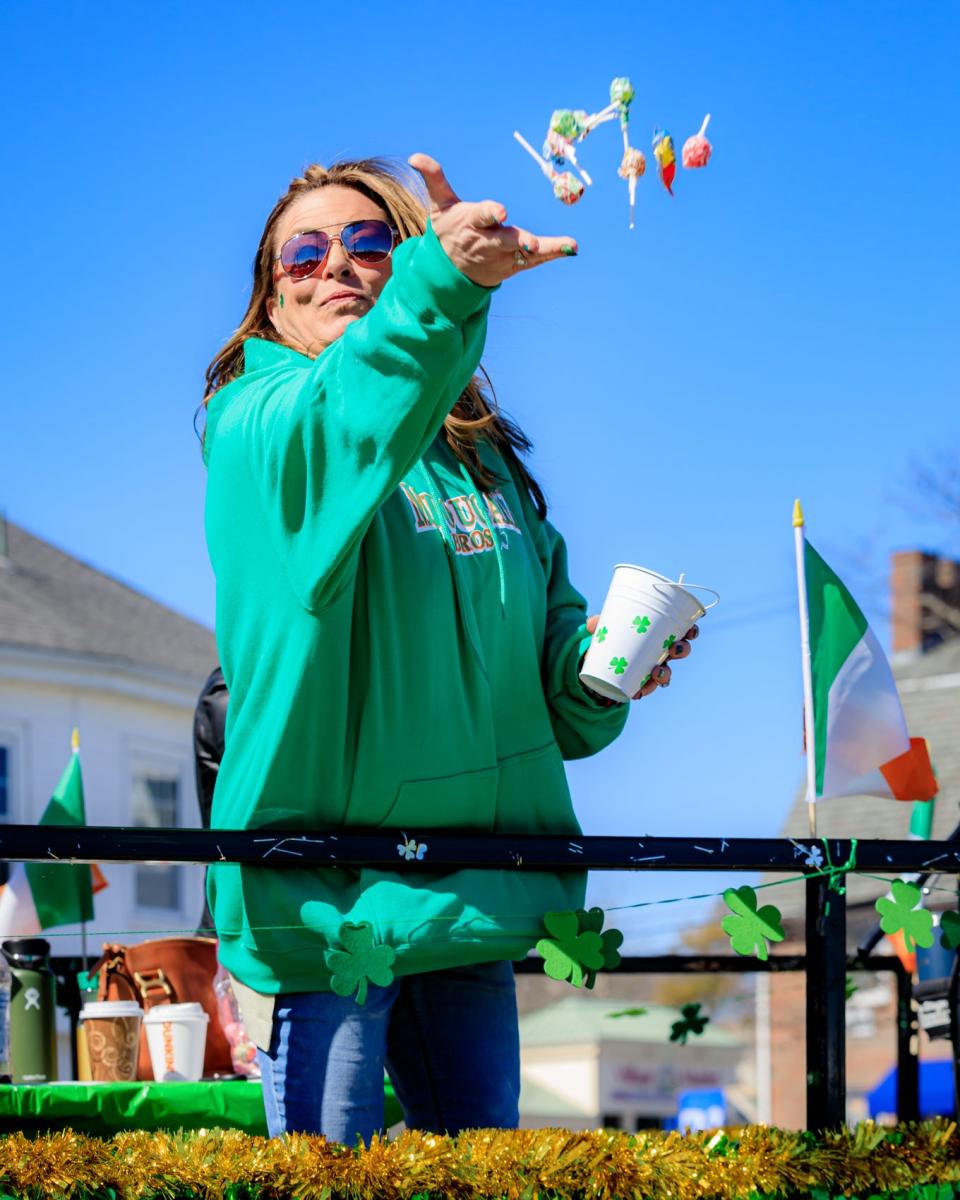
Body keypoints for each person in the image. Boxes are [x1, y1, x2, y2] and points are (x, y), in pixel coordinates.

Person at [200, 153, 696, 1142]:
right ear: (270, 297)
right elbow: (344, 414)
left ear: (403, 256)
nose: (336, 263)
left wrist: (604, 670)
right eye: (303, 252)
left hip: (472, 878)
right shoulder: (256, 428)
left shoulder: (489, 466)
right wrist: (441, 282)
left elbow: (557, 698)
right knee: (329, 1182)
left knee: (483, 1177)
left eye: (370, 241)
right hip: (327, 897)